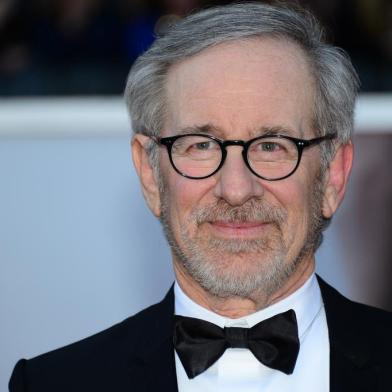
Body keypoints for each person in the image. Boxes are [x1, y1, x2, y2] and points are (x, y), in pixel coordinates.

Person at [9, 2, 392, 391]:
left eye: (273, 146)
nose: (237, 189)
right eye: (201, 145)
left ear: (332, 175)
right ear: (150, 174)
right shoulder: (50, 384)